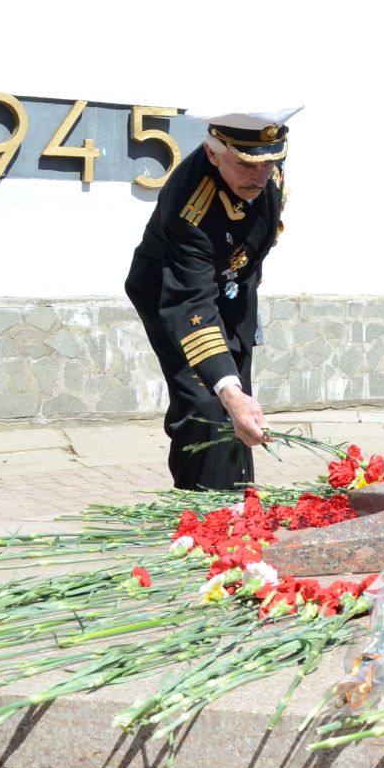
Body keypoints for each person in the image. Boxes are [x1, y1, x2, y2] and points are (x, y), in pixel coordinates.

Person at [125, 108, 296, 490]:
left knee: (240, 400)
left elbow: (262, 217)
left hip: (233, 285)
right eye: (245, 166)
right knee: (205, 402)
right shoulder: (189, 206)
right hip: (174, 296)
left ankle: (238, 499)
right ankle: (201, 511)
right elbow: (191, 304)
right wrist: (227, 391)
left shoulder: (265, 162)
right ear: (213, 153)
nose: (260, 176)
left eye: (268, 164)